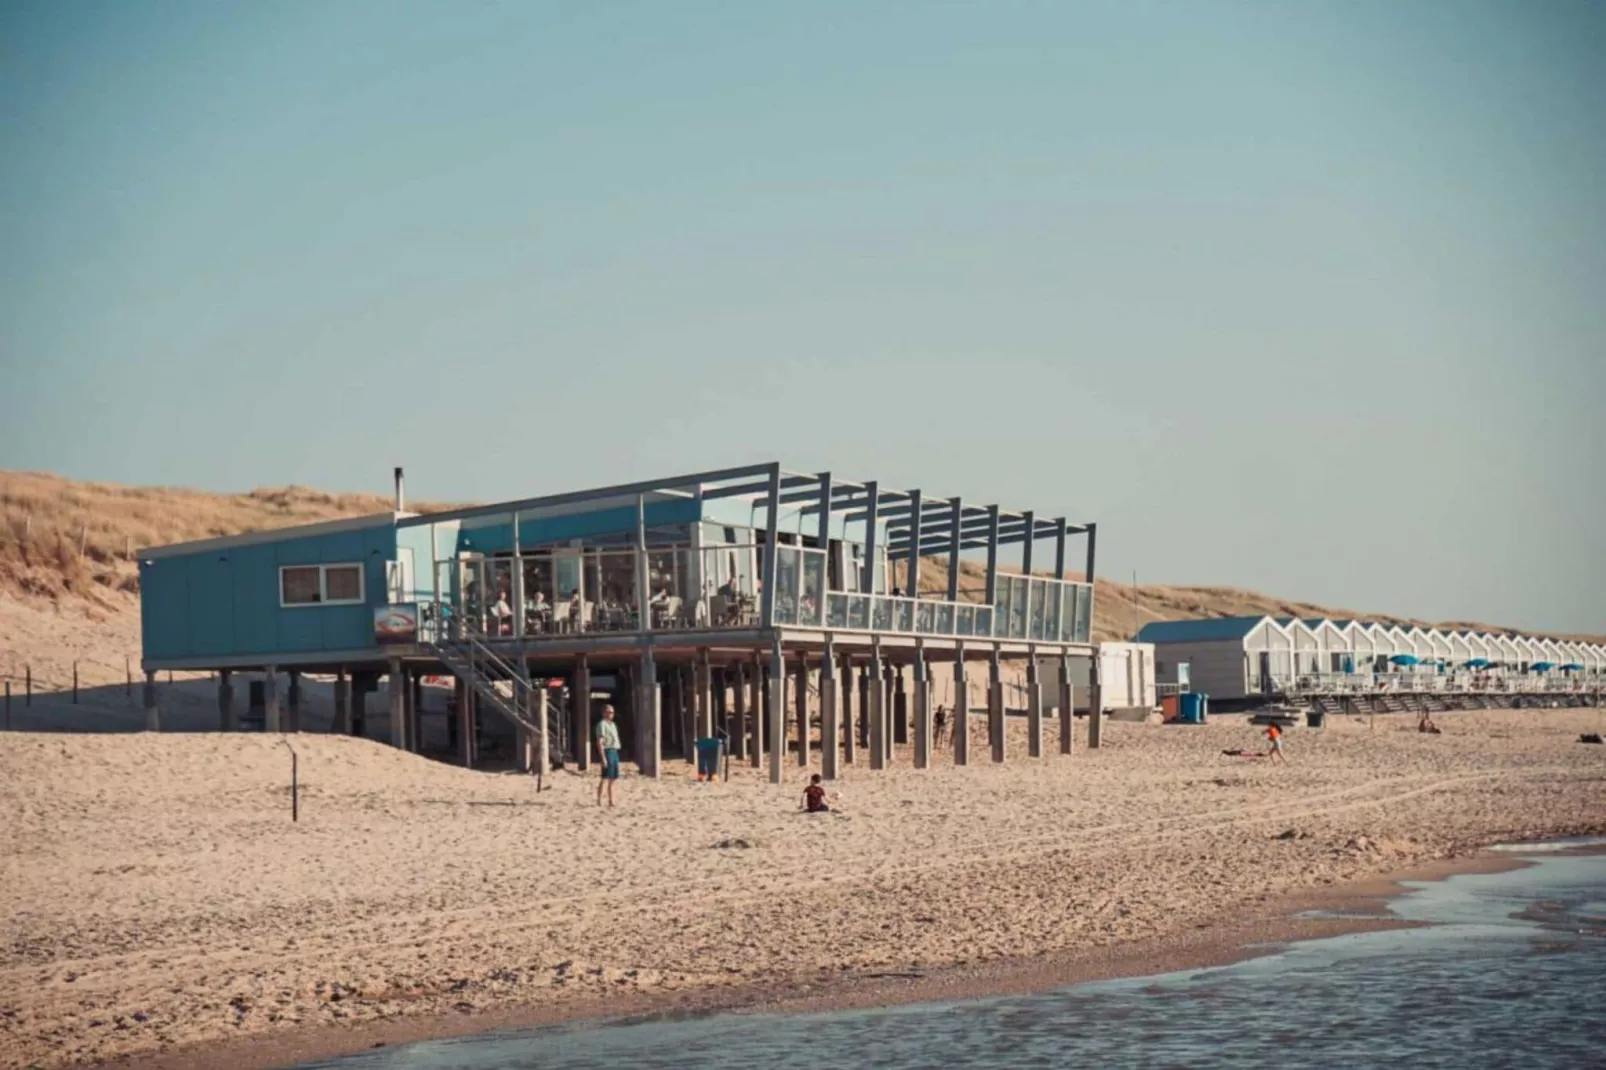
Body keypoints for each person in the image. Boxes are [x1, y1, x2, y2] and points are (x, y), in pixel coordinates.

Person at [595, 704, 622, 806]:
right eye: (609, 712)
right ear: (604, 713)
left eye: (612, 712)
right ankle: (599, 800)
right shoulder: (601, 724)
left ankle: (611, 800)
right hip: (607, 750)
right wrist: (603, 758)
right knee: (605, 776)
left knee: (613, 777)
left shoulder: (613, 724)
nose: (611, 714)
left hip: (614, 750)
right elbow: (600, 741)